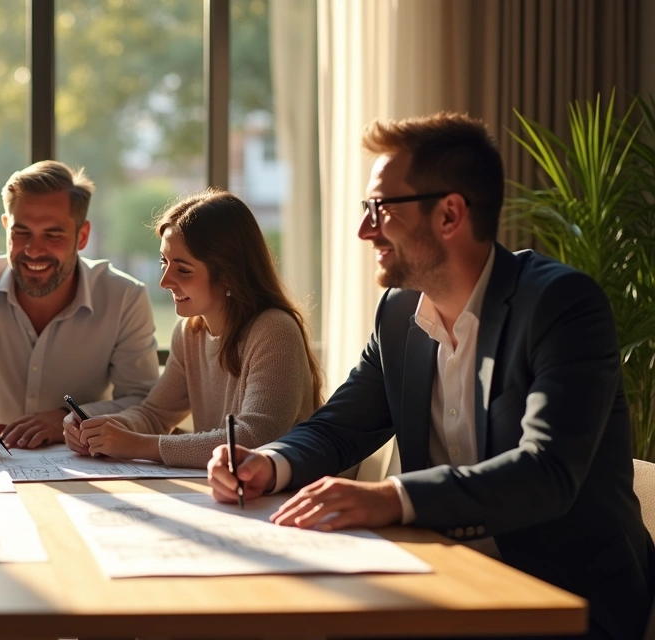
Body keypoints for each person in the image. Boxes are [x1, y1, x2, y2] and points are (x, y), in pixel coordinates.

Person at [207, 112, 653, 639]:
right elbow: (339, 426)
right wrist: (269, 462)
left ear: (449, 214)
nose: (363, 229)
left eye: (380, 209)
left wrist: (391, 497)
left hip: (564, 598)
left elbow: (546, 473)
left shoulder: (560, 306)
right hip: (438, 579)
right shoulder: (399, 313)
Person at [0, 160, 159, 453]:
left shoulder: (124, 297)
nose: (33, 250)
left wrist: (69, 419)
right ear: (6, 226)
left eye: (52, 235)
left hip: (83, 466)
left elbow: (143, 401)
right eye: (21, 232)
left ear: (82, 236)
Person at [65, 190, 322, 468]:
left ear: (228, 275)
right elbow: (154, 415)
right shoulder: (190, 332)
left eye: (183, 270)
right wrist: (98, 427)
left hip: (281, 500)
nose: (164, 282)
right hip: (228, 494)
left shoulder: (274, 330)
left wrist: (137, 444)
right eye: (164, 262)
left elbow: (255, 438)